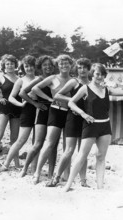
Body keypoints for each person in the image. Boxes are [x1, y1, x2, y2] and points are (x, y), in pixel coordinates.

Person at [63, 63, 123, 191]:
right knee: (81, 156)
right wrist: (83, 114)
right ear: (92, 74)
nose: (99, 77)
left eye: (102, 74)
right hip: (90, 126)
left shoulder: (107, 89)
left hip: (105, 126)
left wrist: (116, 85)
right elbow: (70, 102)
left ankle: (100, 187)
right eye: (97, 74)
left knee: (101, 157)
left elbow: (121, 91)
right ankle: (68, 185)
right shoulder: (85, 88)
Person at [46, 58, 92, 187]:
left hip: (86, 119)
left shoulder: (92, 84)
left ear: (89, 69)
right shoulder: (74, 82)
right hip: (72, 117)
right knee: (69, 150)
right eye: (79, 67)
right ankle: (56, 177)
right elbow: (57, 95)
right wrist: (72, 99)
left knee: (83, 152)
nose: (82, 70)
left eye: (84, 67)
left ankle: (83, 181)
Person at [32, 54, 73, 184]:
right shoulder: (53, 78)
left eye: (66, 63)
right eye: (61, 63)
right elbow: (35, 88)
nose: (64, 65)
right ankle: (37, 173)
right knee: (49, 143)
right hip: (55, 112)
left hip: (69, 113)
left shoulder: (73, 80)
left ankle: (65, 176)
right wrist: (50, 99)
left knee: (67, 147)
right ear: (58, 66)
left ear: (70, 65)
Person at [0, 55, 39, 172]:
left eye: (31, 66)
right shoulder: (21, 80)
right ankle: (6, 164)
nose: (29, 68)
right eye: (26, 66)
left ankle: (34, 167)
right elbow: (11, 97)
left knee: (36, 141)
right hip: (26, 110)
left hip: (39, 110)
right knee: (21, 139)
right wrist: (20, 105)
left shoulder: (39, 78)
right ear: (23, 67)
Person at [19, 55, 56, 177]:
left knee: (53, 145)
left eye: (50, 64)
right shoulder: (39, 79)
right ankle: (25, 169)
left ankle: (50, 173)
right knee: (38, 143)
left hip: (55, 112)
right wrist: (35, 103)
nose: (48, 67)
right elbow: (22, 93)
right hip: (42, 111)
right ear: (40, 67)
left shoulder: (55, 79)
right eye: (45, 65)